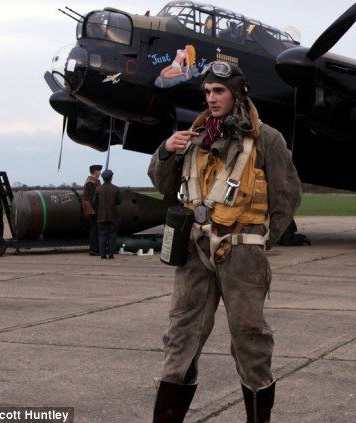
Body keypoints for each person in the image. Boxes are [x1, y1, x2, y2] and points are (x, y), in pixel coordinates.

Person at [148, 61, 302, 422]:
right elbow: (165, 186)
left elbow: (287, 195)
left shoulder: (267, 139)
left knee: (250, 338)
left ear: (237, 92)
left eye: (219, 91)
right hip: (194, 253)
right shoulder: (193, 139)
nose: (211, 98)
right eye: (207, 92)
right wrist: (166, 151)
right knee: (180, 335)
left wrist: (261, 240)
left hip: (243, 254)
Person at [92, 169, 121, 259]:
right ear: (111, 178)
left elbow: (94, 202)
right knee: (112, 235)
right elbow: (119, 202)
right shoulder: (116, 189)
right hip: (113, 216)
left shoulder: (98, 189)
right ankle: (111, 254)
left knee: (102, 235)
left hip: (101, 216)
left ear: (103, 178)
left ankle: (103, 254)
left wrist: (100, 209)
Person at [83, 164, 102, 256]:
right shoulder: (90, 182)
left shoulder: (94, 181)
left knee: (96, 229)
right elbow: (93, 197)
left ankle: (96, 249)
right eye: (99, 171)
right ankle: (94, 250)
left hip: (94, 208)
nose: (100, 173)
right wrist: (97, 208)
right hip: (93, 209)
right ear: (96, 172)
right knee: (94, 230)